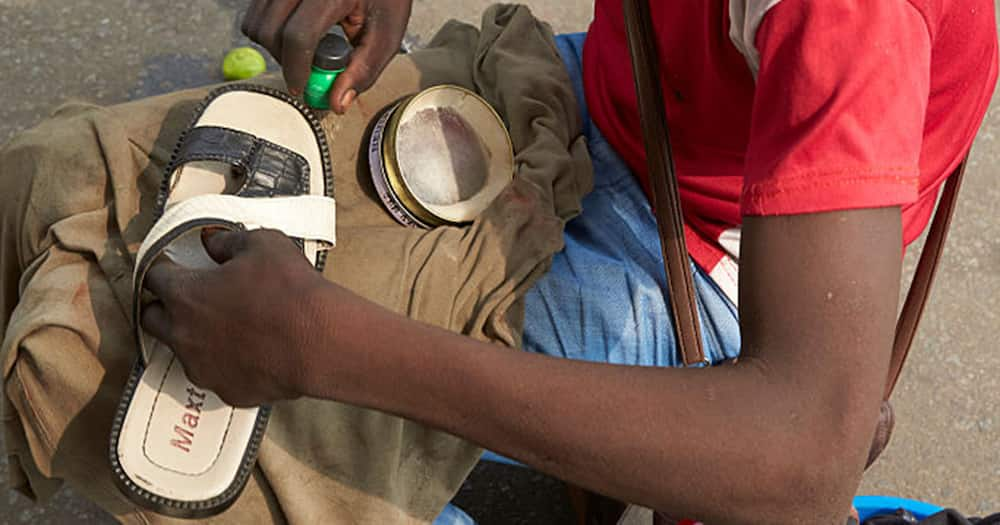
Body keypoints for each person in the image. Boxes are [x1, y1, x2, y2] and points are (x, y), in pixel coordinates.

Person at [139, 1, 997, 524]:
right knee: (171, 211)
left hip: (720, 276)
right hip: (622, 102)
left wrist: (327, 349)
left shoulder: (854, 17)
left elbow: (808, 452)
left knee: (193, 408)